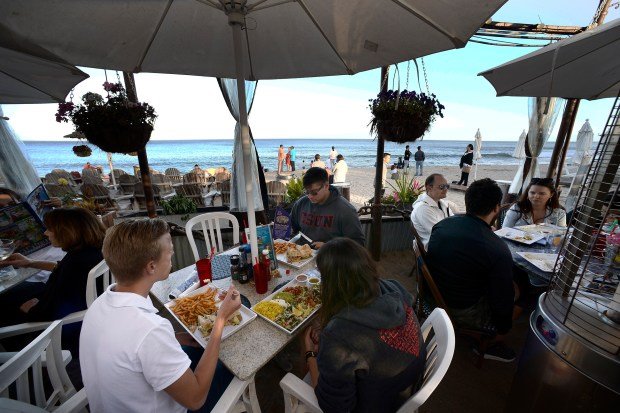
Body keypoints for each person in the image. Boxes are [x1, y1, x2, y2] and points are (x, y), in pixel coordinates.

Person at [80, 218, 241, 412]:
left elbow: (131, 347)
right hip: (186, 403)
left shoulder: (99, 305)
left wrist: (177, 337)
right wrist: (220, 319)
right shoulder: (150, 329)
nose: (172, 253)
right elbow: (196, 399)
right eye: (169, 250)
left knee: (200, 348)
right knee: (233, 364)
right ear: (151, 267)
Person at [304, 238, 426, 413]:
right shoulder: (393, 287)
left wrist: (310, 353)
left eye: (323, 277)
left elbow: (334, 407)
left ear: (331, 284)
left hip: (379, 404)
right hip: (406, 387)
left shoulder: (338, 336)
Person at [426, 178, 516, 362]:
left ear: (468, 202)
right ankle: (491, 342)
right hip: (461, 310)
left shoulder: (444, 225)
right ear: (496, 208)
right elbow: (502, 299)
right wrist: (503, 327)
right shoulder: (497, 248)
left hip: (432, 296)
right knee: (516, 291)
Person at [0, 207, 105, 327]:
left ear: (66, 232)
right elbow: (61, 269)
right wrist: (30, 262)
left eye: (50, 229)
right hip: (80, 307)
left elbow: (45, 314)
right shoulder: (91, 251)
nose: (45, 233)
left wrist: (31, 310)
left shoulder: (75, 263)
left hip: (56, 325)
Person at [291, 167, 365, 248]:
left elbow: (358, 244)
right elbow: (292, 228)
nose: (310, 196)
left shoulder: (346, 210)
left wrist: (328, 247)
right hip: (301, 257)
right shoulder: (301, 203)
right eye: (307, 192)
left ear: (326, 186)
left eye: (314, 192)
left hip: (331, 258)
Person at [410, 174, 457, 248]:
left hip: (446, 243)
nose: (445, 189)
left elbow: (454, 223)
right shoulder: (423, 209)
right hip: (437, 248)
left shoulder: (442, 204)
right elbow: (439, 234)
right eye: (442, 187)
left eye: (447, 186)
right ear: (429, 187)